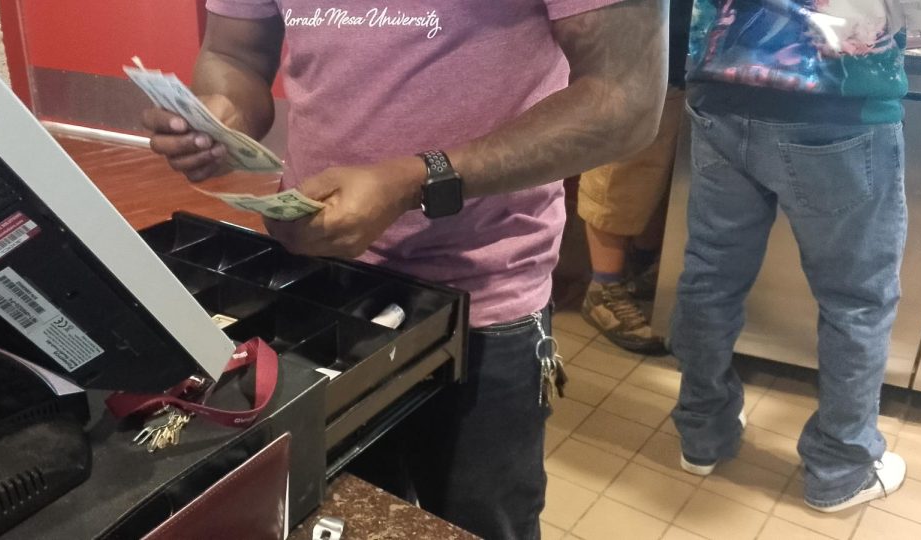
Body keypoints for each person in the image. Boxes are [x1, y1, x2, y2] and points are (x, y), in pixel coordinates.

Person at [142, 0, 668, 537]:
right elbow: (235, 51)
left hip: (481, 296)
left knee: (475, 524)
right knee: (339, 520)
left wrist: (417, 180)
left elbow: (625, 97)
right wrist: (221, 115)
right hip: (316, 279)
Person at [670, 0, 920, 512]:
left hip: (722, 86)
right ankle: (841, 466)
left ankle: (702, 432)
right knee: (856, 299)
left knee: (710, 274)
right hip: (837, 102)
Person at [577, 0, 692, 355]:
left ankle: (640, 270)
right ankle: (604, 288)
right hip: (634, 44)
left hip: (683, 45)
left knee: (661, 170)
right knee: (622, 167)